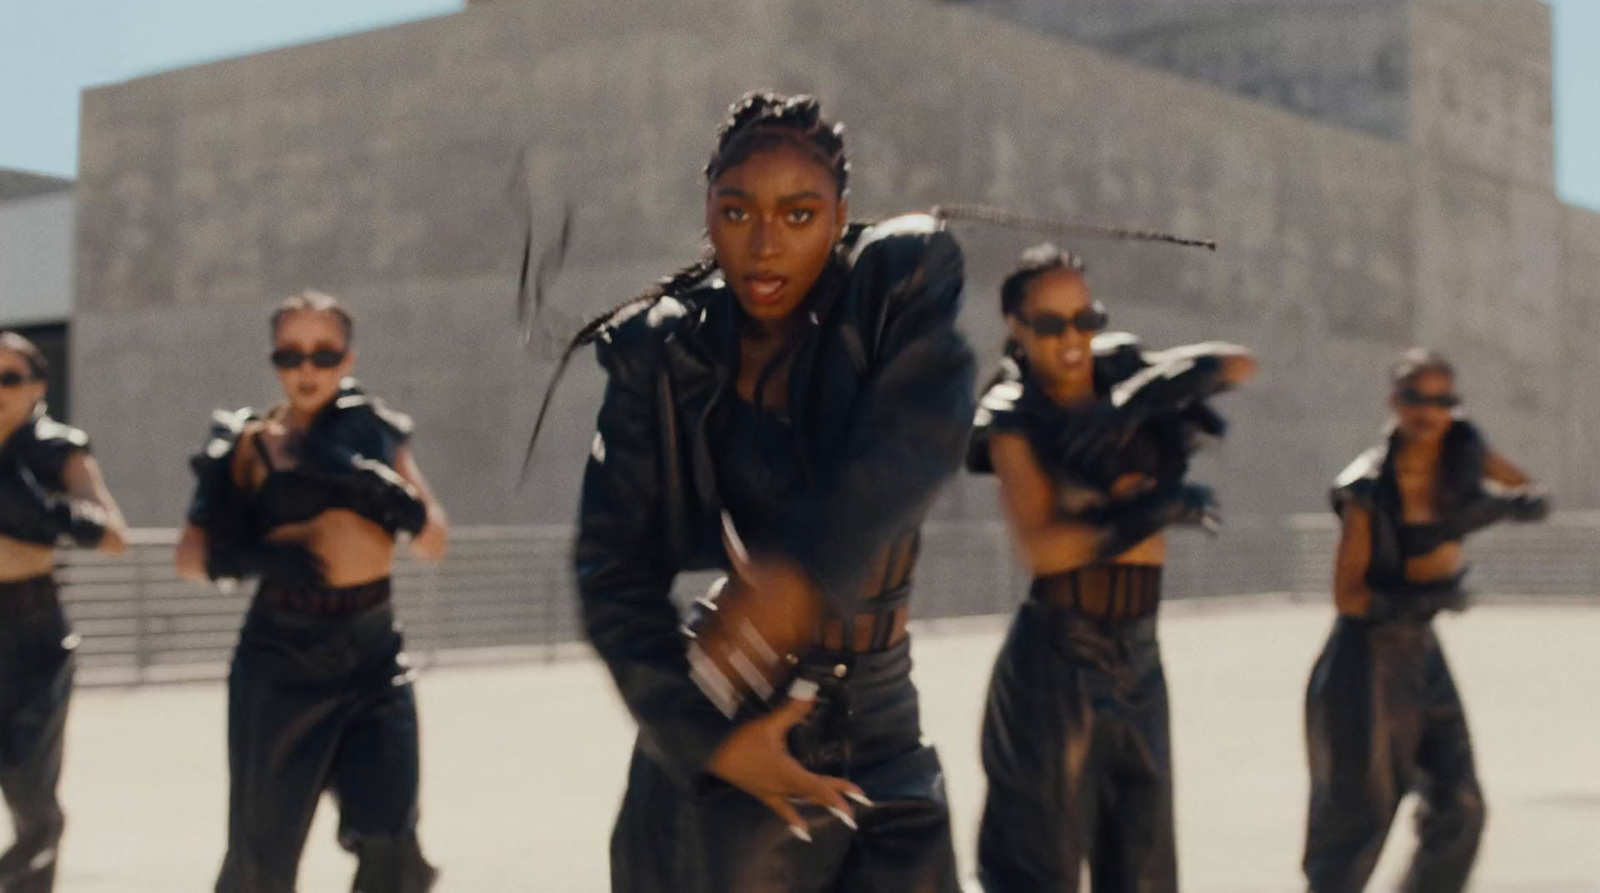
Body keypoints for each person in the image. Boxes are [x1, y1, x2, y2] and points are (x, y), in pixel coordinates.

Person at [564, 91, 975, 892]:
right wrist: (704, 740)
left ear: (839, 215)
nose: (763, 243)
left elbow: (925, 423)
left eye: (798, 214)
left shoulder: (891, 296)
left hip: (886, 718)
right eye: (737, 210)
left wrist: (799, 575)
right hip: (741, 711)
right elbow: (610, 568)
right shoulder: (661, 353)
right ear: (708, 211)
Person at [966, 245, 1256, 893]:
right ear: (1017, 326)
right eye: (1051, 323)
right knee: (1036, 873)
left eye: (1084, 318)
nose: (1073, 338)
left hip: (1141, 660)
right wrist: (1152, 511)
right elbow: (1042, 547)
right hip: (1058, 665)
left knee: (1148, 873)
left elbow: (1239, 361)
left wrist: (1142, 392)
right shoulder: (1014, 412)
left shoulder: (1121, 366)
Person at [174, 292, 449, 893]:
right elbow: (188, 558)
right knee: (260, 858)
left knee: (392, 844)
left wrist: (394, 499)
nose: (307, 369)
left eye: (324, 354)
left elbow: (433, 544)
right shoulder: (249, 444)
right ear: (274, 360)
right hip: (281, 660)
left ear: (347, 359)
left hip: (375, 653)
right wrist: (256, 557)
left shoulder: (377, 434)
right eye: (291, 354)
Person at [1302, 348, 1547, 893]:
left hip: (1422, 654)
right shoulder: (1368, 486)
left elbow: (1525, 488)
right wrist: (1415, 602)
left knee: (1459, 805)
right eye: (1417, 399)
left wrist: (1498, 498)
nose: (1429, 413)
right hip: (1366, 662)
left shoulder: (1461, 455)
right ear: (1395, 401)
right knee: (1355, 824)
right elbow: (1347, 594)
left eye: (1443, 401)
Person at [0, 332, 127, 893]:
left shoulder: (57, 449)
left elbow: (113, 534)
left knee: (29, 781)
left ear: (39, 386)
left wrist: (37, 510)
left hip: (32, 631)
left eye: (10, 378)